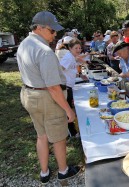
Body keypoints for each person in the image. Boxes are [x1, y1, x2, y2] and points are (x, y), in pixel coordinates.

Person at [17, 11, 80, 184]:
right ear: (39, 28)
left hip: (29, 94)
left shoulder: (24, 44)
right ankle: (63, 171)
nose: (55, 34)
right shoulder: (45, 51)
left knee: (41, 135)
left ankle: (44, 172)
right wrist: (68, 110)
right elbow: (53, 87)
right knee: (58, 137)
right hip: (46, 98)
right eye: (52, 31)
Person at [60, 38, 87, 137]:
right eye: (76, 48)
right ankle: (72, 133)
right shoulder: (68, 57)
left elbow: (70, 71)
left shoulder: (72, 57)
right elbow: (60, 69)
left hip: (70, 85)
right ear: (70, 48)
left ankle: (72, 130)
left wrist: (80, 76)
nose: (78, 50)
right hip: (66, 86)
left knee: (70, 108)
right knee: (69, 110)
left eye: (80, 48)